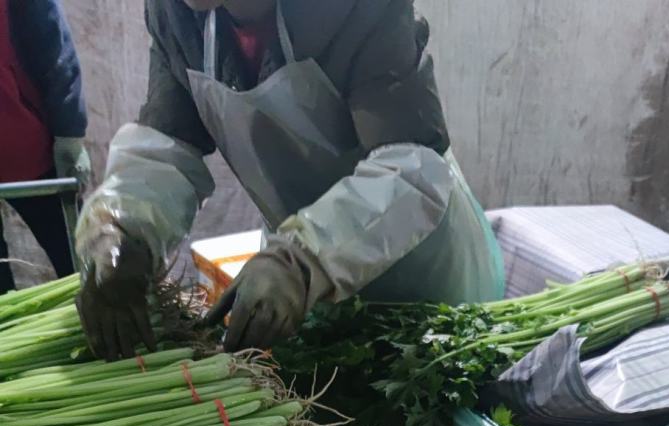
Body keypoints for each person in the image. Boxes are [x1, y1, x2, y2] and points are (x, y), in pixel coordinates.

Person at [75, 0, 505, 360]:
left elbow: (413, 166)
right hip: (298, 270)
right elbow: (170, 144)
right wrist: (123, 229)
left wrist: (302, 262)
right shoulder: (178, 13)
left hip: (420, 272)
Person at [0, 0, 91, 294]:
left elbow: (55, 47)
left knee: (82, 264)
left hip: (32, 150)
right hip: (25, 145)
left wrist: (69, 134)